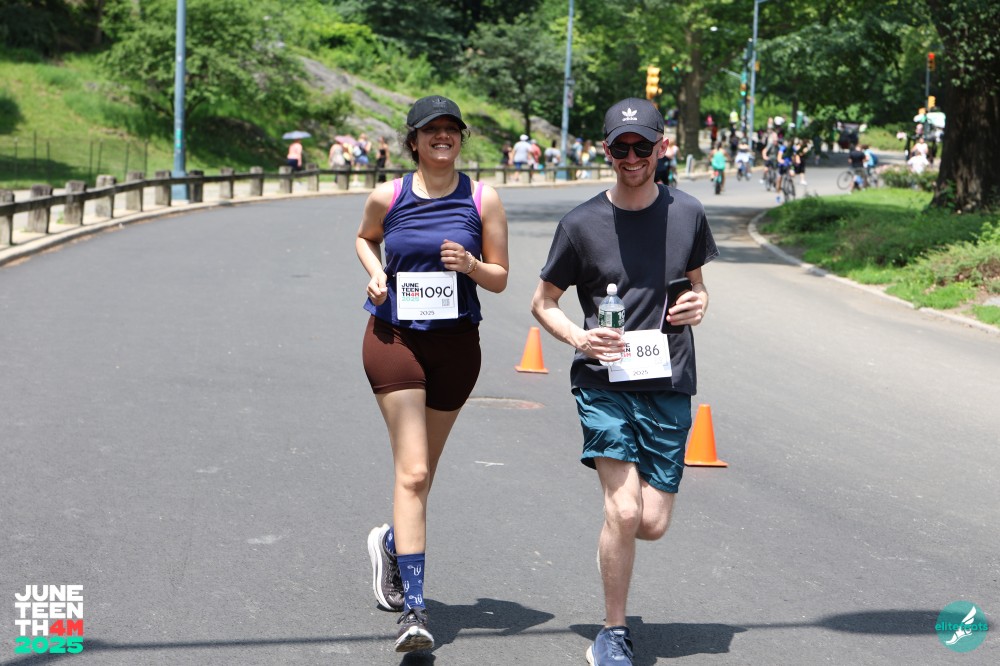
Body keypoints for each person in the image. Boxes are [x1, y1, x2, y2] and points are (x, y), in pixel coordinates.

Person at [530, 97, 717, 666]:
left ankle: (617, 540)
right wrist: (580, 338)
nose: (631, 157)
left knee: (651, 523)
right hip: (603, 380)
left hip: (668, 379)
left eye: (642, 147)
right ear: (606, 150)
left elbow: (696, 286)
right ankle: (612, 633)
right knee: (626, 510)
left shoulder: (687, 213)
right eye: (620, 147)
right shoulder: (580, 224)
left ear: (662, 147)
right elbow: (543, 302)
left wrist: (699, 303)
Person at [356, 95, 510, 653]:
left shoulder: (483, 199)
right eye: (431, 130)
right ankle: (415, 611)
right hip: (394, 339)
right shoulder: (389, 195)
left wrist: (472, 265)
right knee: (415, 472)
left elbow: (500, 277)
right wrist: (376, 273)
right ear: (414, 141)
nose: (442, 137)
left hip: (456, 348)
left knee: (422, 474)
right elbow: (365, 238)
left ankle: (392, 545)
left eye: (451, 129)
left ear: (461, 139)